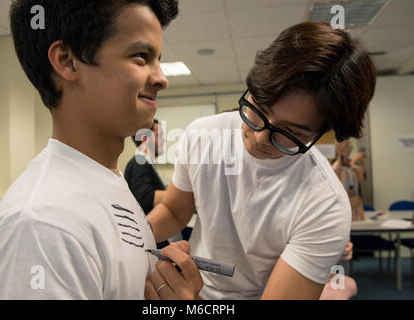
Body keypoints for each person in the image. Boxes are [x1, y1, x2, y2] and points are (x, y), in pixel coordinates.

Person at [0, 0, 203, 300]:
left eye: (158, 59)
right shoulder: (41, 229)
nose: (161, 78)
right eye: (141, 57)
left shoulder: (107, 182)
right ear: (67, 61)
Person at [147, 22, 376, 299]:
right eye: (259, 109)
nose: (259, 138)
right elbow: (174, 211)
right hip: (195, 286)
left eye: (290, 132)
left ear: (321, 133)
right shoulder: (204, 135)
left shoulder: (325, 204)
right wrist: (132, 238)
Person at [125, 119, 170, 248]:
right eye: (159, 136)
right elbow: (143, 197)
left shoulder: (145, 163)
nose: (164, 140)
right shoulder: (140, 164)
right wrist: (179, 194)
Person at [332, 139, 367, 221]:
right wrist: (355, 160)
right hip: (343, 205)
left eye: (350, 147)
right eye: (347, 147)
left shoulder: (353, 167)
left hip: (355, 203)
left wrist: (362, 163)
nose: (350, 150)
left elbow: (361, 179)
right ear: (340, 149)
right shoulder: (336, 167)